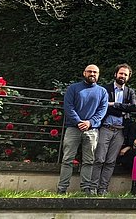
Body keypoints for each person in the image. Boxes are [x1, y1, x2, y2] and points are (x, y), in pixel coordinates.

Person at [57, 64, 108, 195]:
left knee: (89, 161)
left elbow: (102, 111)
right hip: (73, 129)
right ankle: (62, 188)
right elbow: (68, 107)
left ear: (98, 74)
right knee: (67, 159)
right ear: (84, 73)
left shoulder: (102, 92)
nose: (92, 74)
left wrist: (90, 123)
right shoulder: (73, 88)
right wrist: (79, 122)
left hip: (92, 130)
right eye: (90, 71)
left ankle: (86, 188)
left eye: (95, 72)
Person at [91, 63, 136, 195]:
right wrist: (122, 108)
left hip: (120, 130)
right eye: (121, 73)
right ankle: (93, 188)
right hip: (105, 128)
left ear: (128, 77)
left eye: (125, 74)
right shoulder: (105, 89)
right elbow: (103, 106)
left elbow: (133, 107)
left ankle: (103, 189)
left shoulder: (130, 92)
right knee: (99, 159)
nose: (122, 76)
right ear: (115, 74)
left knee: (111, 161)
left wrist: (115, 105)